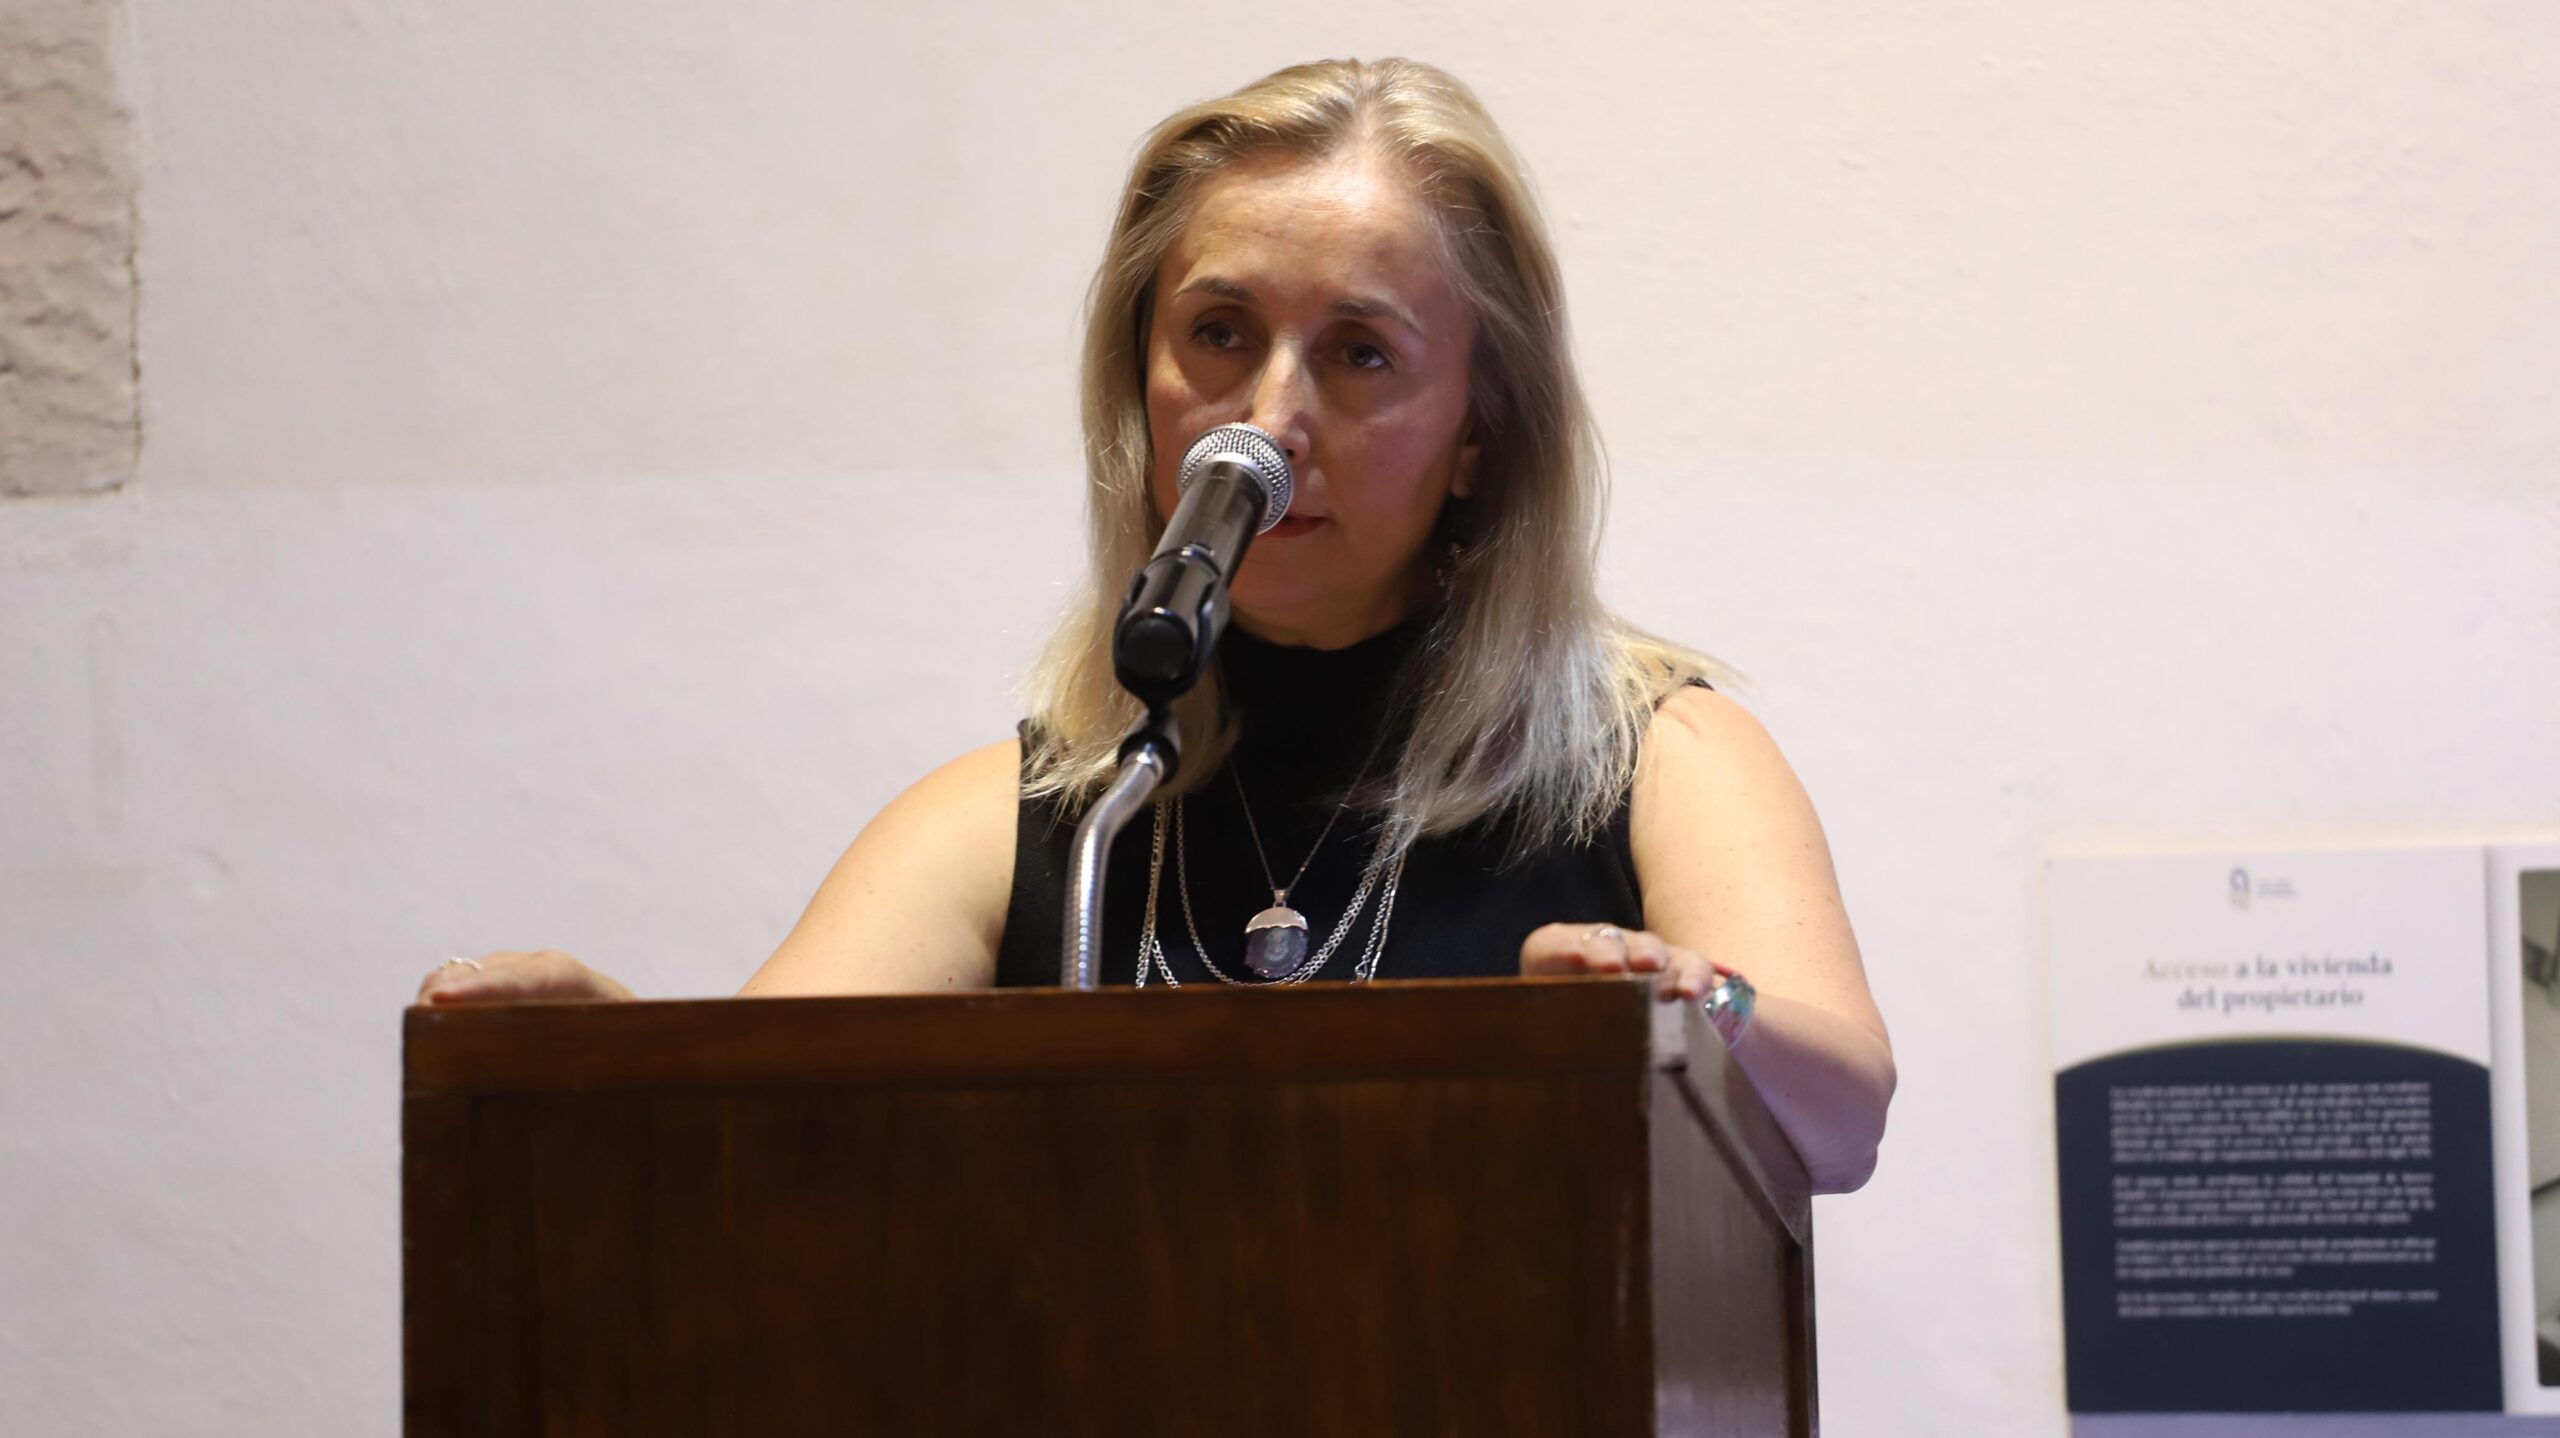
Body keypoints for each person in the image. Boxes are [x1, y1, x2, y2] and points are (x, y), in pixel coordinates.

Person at [414, 58, 1895, 1193]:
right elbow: (746, 1120)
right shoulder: (1040, 815)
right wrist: (603, 1064)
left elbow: (1844, 1121)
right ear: (1142, 381)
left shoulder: (1663, 758)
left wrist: (1698, 1007)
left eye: (1361, 353)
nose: (1268, 420)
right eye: (1219, 334)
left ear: (1477, 437)